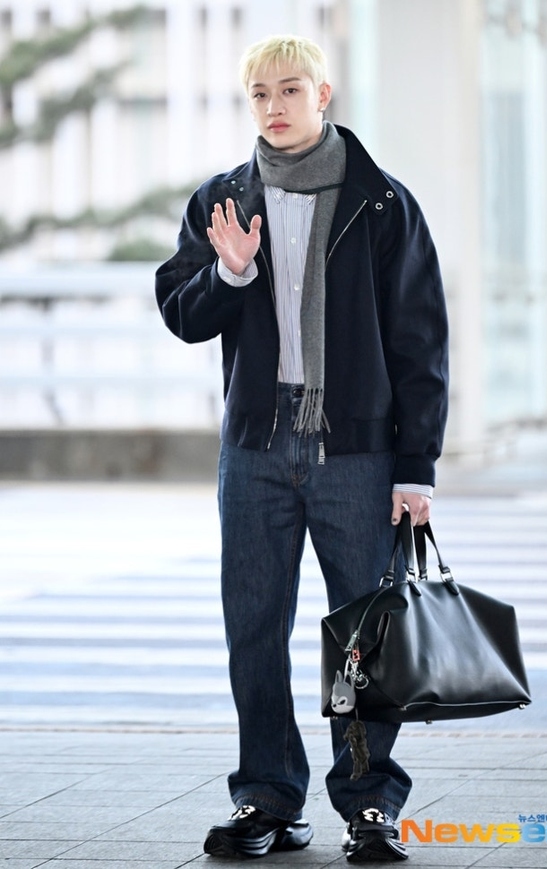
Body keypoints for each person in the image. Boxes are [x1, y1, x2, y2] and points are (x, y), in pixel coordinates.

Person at [155, 34, 449, 863]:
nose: (274, 106)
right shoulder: (222, 202)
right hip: (255, 444)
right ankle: (267, 795)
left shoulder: (381, 203)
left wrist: (417, 467)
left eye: (290, 89)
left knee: (362, 637)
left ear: (324, 94)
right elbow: (182, 312)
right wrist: (231, 274)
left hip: (355, 448)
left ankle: (368, 799)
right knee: (253, 626)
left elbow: (421, 342)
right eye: (260, 93)